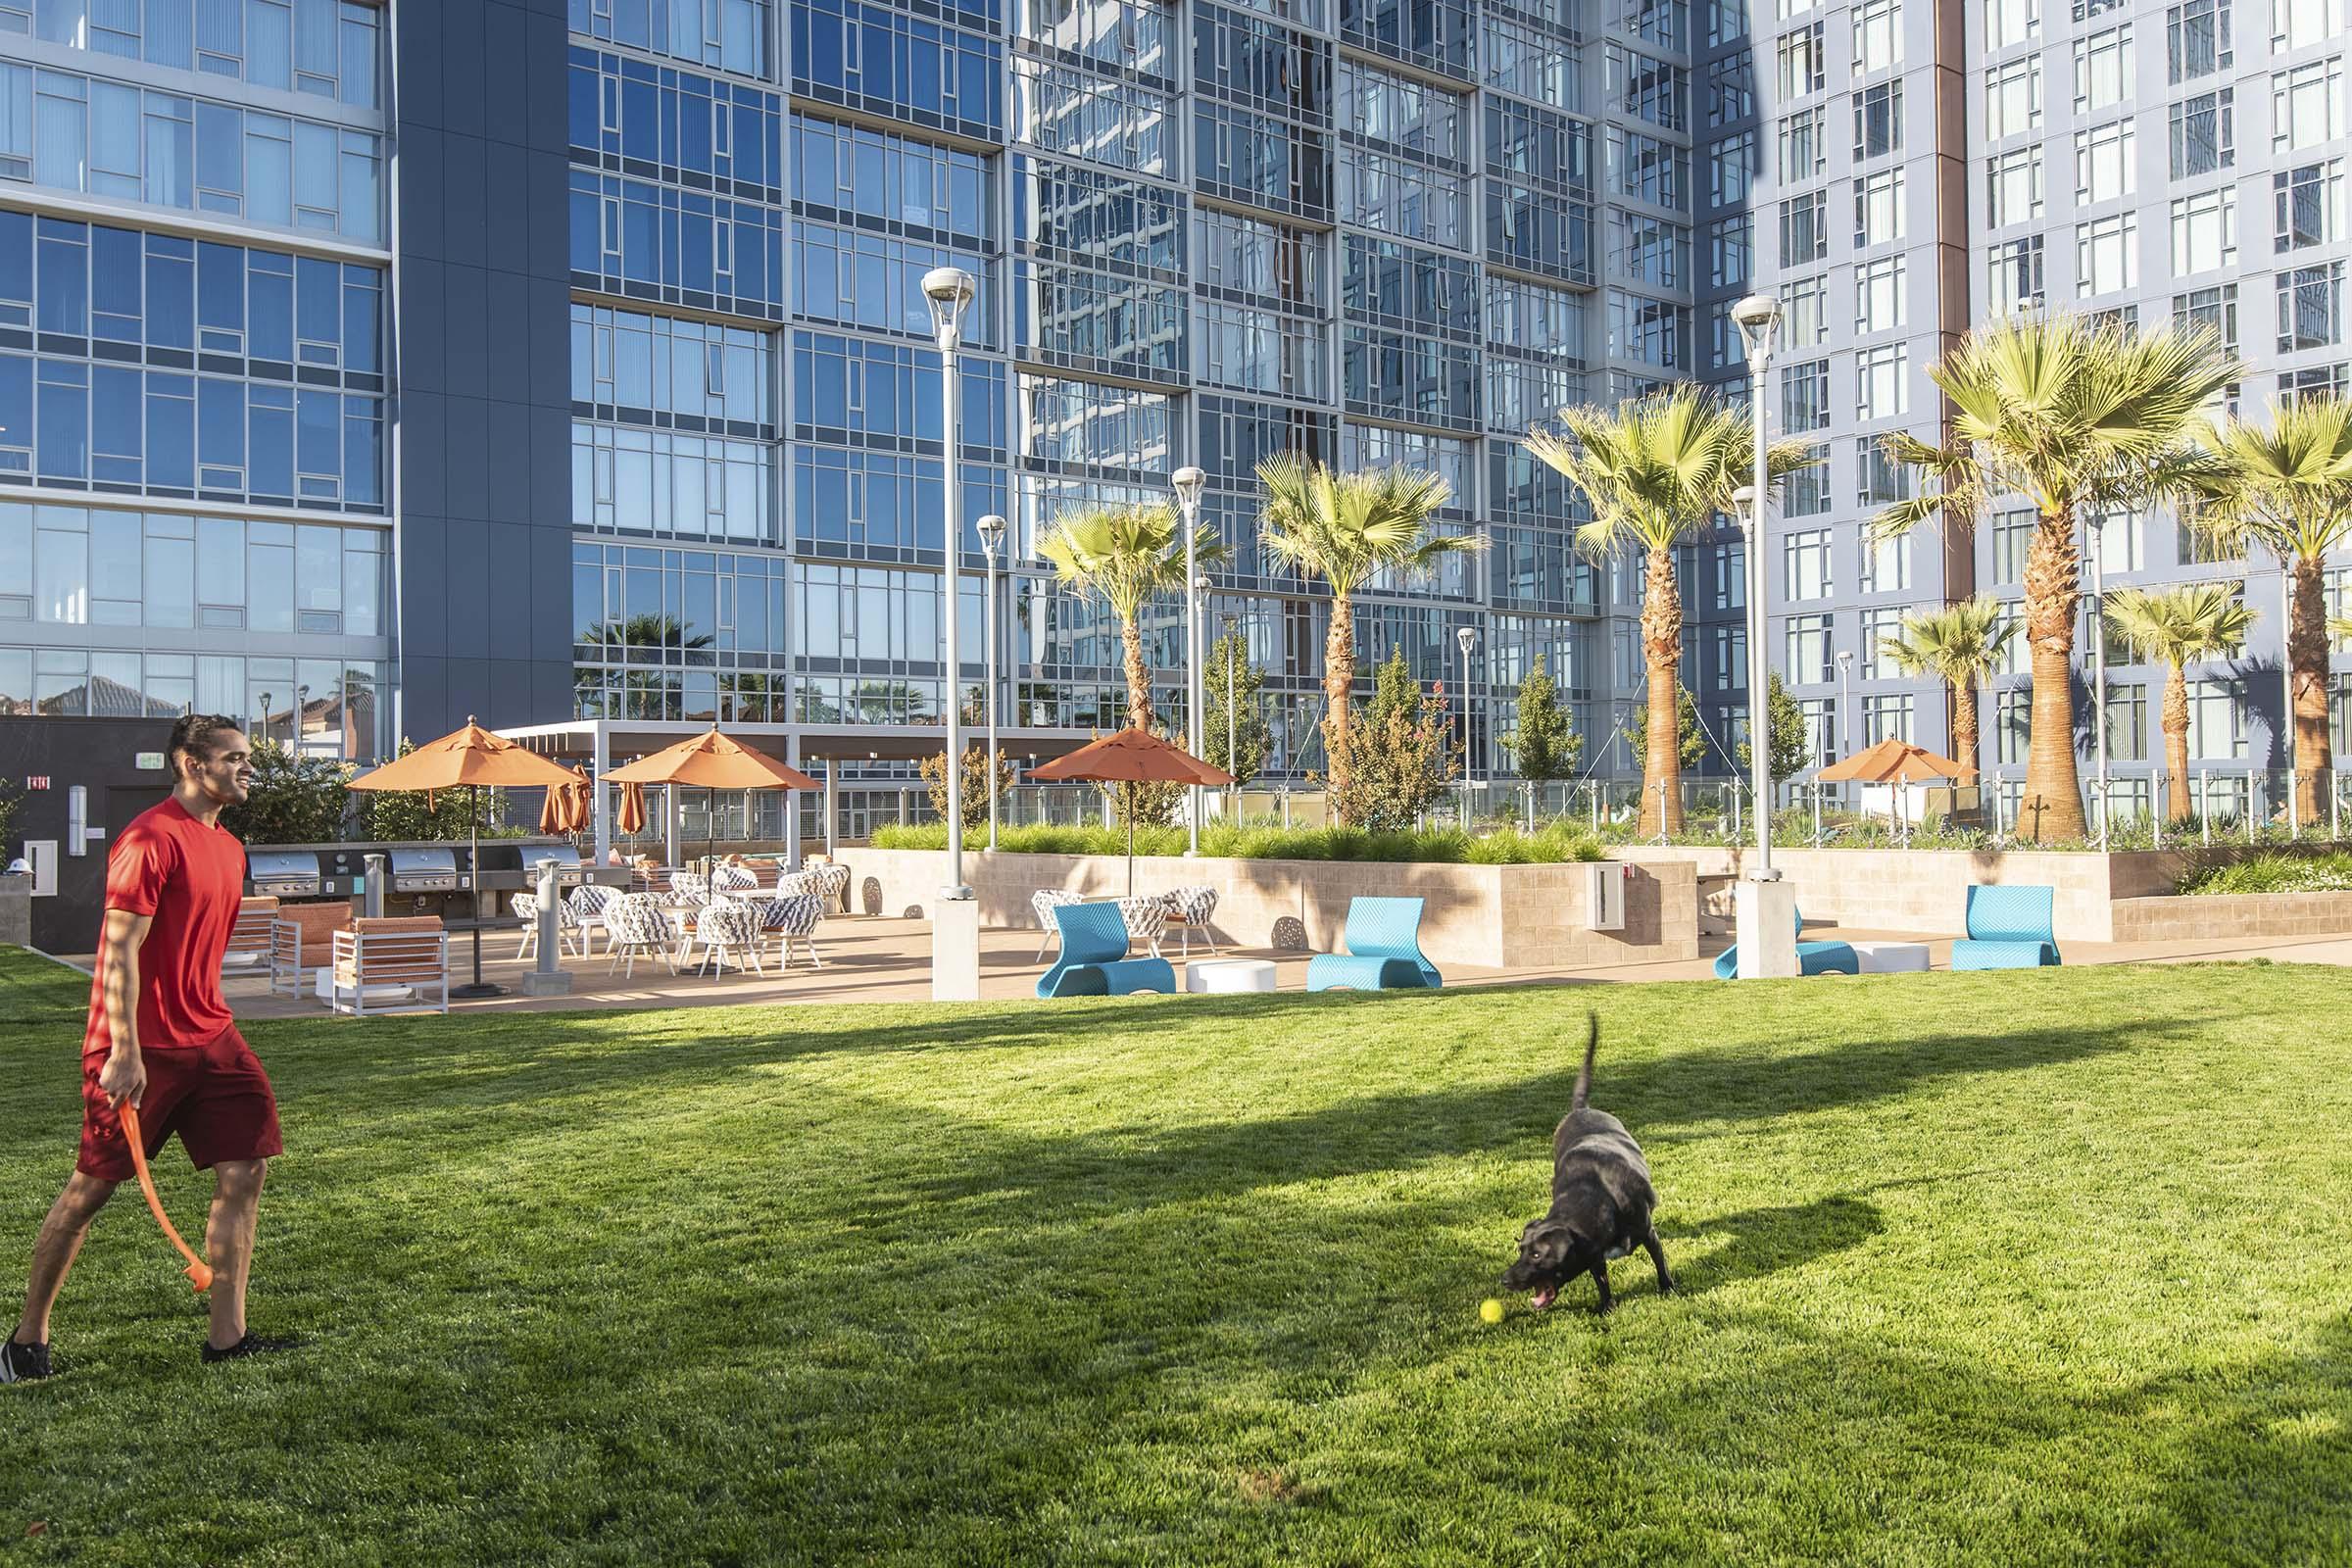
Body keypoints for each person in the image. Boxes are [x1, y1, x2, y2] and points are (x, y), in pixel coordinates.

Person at [2, 714, 295, 1382]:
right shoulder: (149, 838)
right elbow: (119, 950)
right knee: (90, 1191)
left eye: (248, 757)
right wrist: (124, 1050)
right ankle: (25, 1340)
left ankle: (228, 1339)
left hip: (211, 1036)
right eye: (234, 757)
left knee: (246, 1168)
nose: (248, 767)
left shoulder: (229, 848)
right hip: (137, 1047)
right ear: (192, 764)